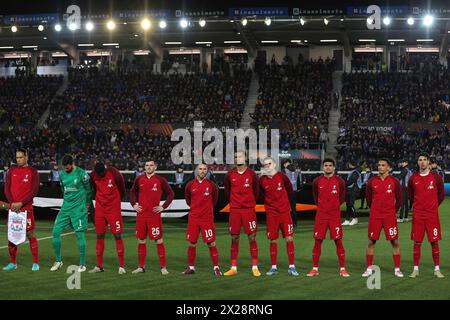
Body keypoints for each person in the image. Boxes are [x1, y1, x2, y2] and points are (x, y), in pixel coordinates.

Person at [130, 160, 174, 275]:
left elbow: (170, 193)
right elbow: (132, 192)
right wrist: (134, 204)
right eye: (147, 165)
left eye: (151, 165)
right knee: (141, 240)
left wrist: (163, 206)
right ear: (144, 167)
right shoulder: (139, 179)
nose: (149, 167)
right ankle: (141, 267)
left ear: (155, 167)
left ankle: (163, 267)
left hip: (154, 215)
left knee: (158, 240)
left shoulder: (160, 180)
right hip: (141, 215)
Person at [50, 154, 92, 272]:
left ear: (72, 164)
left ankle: (82, 264)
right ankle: (58, 261)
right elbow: (63, 189)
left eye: (68, 168)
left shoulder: (81, 174)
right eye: (64, 168)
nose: (66, 170)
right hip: (66, 208)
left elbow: (88, 190)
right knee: (55, 232)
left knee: (79, 234)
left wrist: (87, 205)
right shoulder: (62, 174)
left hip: (78, 209)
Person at [362, 158, 404, 278]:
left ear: (389, 168)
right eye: (379, 165)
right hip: (375, 216)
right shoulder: (371, 181)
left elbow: (399, 200)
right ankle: (369, 269)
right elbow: (368, 199)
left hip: (389, 217)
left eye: (383, 165)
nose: (380, 167)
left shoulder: (395, 181)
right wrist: (374, 209)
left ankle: (397, 269)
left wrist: (392, 211)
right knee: (371, 242)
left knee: (394, 242)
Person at [307, 158, 349, 277]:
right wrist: (323, 207)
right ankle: (315, 269)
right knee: (318, 241)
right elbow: (316, 197)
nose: (328, 167)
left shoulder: (340, 181)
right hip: (321, 216)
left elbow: (342, 198)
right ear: (323, 167)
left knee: (338, 241)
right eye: (326, 165)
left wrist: (333, 207)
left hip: (334, 216)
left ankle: (342, 269)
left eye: (330, 165)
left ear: (334, 167)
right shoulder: (317, 181)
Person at [259, 157, 299, 277]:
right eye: (265, 164)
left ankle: (291, 266)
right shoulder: (262, 180)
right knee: (273, 240)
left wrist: (283, 204)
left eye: (269, 163)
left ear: (274, 164)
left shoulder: (282, 176)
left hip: (284, 213)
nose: (267, 166)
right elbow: (260, 194)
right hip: (271, 214)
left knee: (289, 238)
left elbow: (290, 191)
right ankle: (273, 267)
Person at [408, 152, 445, 278]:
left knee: (434, 242)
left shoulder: (436, 178)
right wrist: (418, 207)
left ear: (428, 162)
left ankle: (437, 269)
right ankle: (415, 269)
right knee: (417, 242)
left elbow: (441, 195)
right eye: (420, 160)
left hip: (432, 215)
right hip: (418, 216)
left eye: (424, 159)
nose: (422, 162)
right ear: (417, 162)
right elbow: (410, 195)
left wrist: (433, 206)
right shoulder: (413, 178)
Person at [223, 151, 260, 277]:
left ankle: (255, 266)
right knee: (234, 238)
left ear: (246, 158)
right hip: (235, 210)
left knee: (252, 237)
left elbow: (257, 191)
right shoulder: (230, 174)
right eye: (235, 157)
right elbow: (227, 191)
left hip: (248, 210)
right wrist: (234, 202)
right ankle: (233, 267)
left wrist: (250, 202)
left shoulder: (252, 174)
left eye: (240, 156)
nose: (237, 158)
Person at [3, 148, 40, 271]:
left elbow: (34, 191)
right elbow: (6, 188)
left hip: (26, 209)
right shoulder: (11, 171)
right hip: (13, 209)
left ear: (26, 157)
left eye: (21, 157)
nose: (18, 159)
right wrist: (12, 203)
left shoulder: (33, 172)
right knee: (11, 235)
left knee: (30, 234)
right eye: (17, 157)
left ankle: (35, 262)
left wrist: (21, 203)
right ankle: (13, 263)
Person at [183, 163, 221, 276]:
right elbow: (188, 200)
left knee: (211, 243)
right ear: (196, 171)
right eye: (200, 169)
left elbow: (215, 199)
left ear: (207, 171)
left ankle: (216, 268)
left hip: (207, 219)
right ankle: (191, 268)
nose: (202, 171)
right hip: (193, 218)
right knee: (192, 243)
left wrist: (207, 210)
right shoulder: (190, 185)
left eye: (205, 169)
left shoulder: (212, 185)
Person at [89, 162, 126, 274]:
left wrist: (116, 201)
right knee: (100, 235)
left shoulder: (114, 172)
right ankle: (99, 266)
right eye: (99, 174)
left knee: (117, 235)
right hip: (100, 208)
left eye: (103, 173)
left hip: (113, 208)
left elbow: (122, 189)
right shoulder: (93, 175)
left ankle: (121, 266)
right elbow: (92, 188)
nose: (101, 175)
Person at [282, 159, 301, 228]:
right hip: (294, 192)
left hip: (286, 192)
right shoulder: (296, 171)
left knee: (285, 209)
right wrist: (298, 188)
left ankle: (286, 223)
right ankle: (294, 223)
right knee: (293, 209)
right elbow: (298, 182)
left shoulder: (284, 171)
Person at [343, 161, 362, 226]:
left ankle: (355, 218)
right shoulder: (354, 171)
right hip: (350, 189)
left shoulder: (355, 172)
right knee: (348, 204)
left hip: (354, 189)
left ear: (351, 164)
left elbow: (351, 181)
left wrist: (343, 184)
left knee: (350, 204)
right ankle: (347, 219)